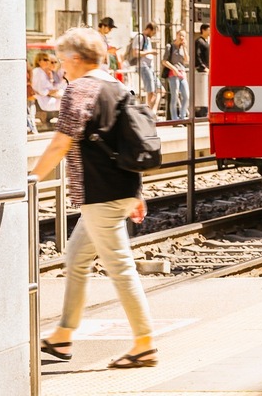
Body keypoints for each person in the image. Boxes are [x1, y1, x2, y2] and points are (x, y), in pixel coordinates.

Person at [29, 27, 157, 370]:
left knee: (120, 268)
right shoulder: (118, 86)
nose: (60, 68)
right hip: (119, 189)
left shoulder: (79, 88)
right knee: (76, 257)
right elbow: (128, 140)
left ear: (74, 58)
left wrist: (30, 179)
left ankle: (144, 344)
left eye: (61, 60)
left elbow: (61, 141)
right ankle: (63, 335)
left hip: (101, 193)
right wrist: (137, 192)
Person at [131, 23, 162, 112]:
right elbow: (135, 53)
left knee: (160, 90)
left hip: (150, 67)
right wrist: (150, 52)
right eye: (153, 32)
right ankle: (149, 112)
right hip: (143, 66)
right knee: (151, 91)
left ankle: (152, 111)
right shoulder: (140, 37)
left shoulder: (148, 39)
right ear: (149, 29)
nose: (153, 35)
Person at [31, 52, 63, 130]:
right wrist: (53, 92)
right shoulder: (38, 72)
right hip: (44, 101)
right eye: (45, 60)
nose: (48, 62)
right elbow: (41, 90)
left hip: (49, 98)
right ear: (38, 61)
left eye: (48, 60)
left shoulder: (44, 72)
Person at [164, 30, 190, 121]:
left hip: (182, 73)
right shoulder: (170, 46)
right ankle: (174, 119)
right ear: (176, 35)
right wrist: (173, 69)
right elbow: (164, 61)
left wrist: (185, 48)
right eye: (180, 35)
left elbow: (187, 60)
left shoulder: (182, 48)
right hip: (173, 73)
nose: (181, 37)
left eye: (183, 36)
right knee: (174, 96)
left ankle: (182, 116)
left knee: (186, 96)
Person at [194, 24, 211, 118]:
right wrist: (203, 66)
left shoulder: (205, 41)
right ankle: (201, 110)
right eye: (208, 30)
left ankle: (205, 109)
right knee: (202, 89)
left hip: (207, 69)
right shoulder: (199, 41)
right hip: (202, 70)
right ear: (203, 30)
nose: (210, 32)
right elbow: (197, 55)